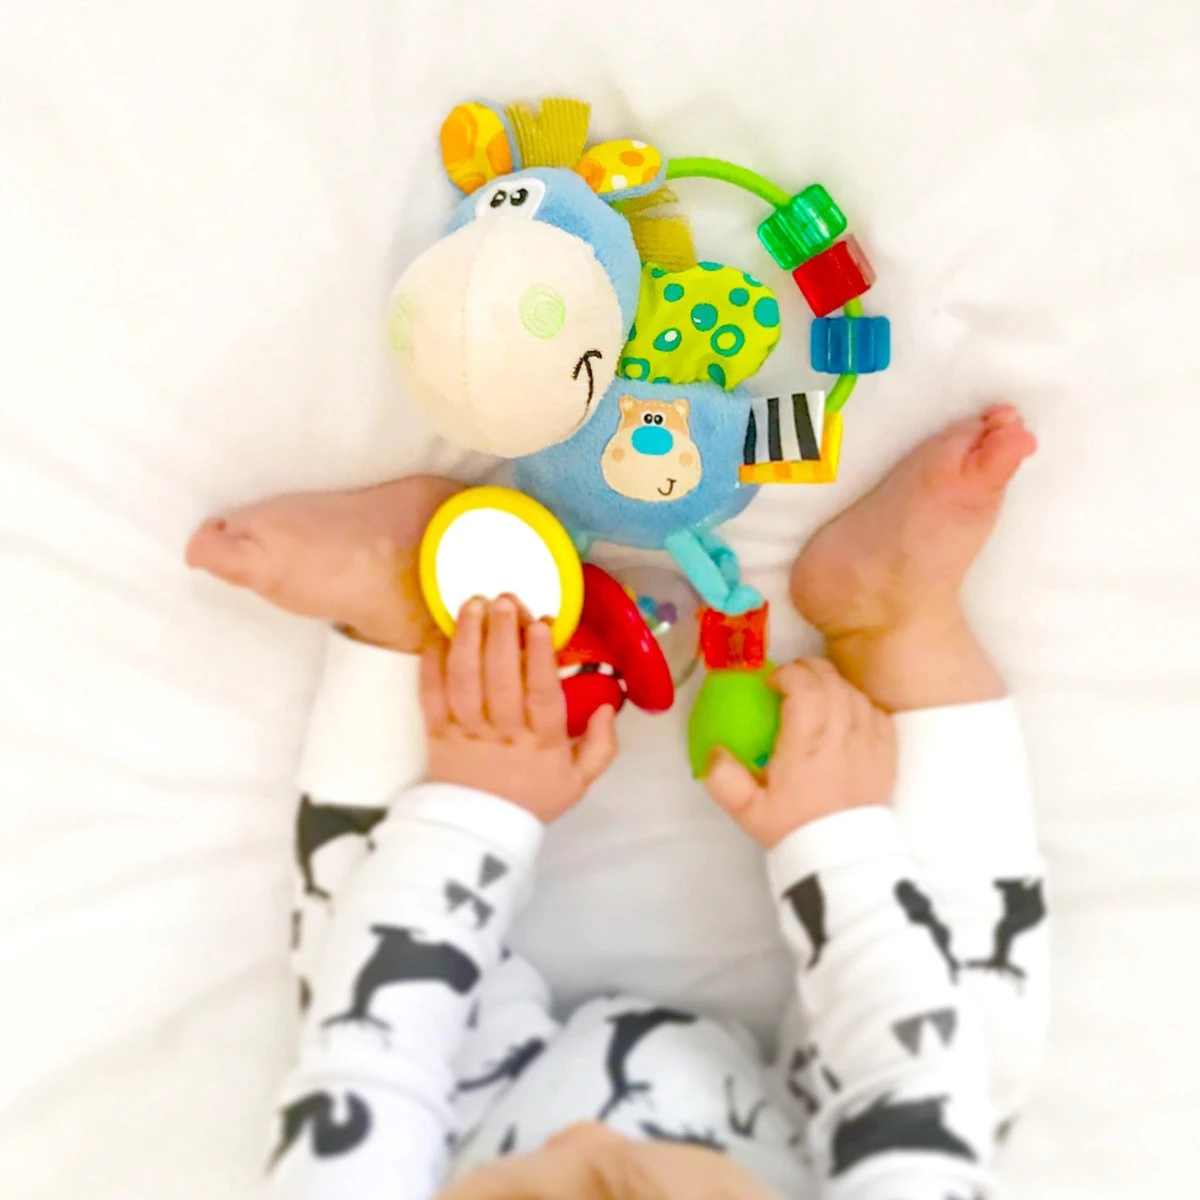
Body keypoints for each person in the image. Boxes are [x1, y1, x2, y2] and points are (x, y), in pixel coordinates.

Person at [188, 406, 1049, 1199]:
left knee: (362, 974)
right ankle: (892, 619)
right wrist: (838, 837)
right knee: (973, 1045)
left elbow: (372, 1062)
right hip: (815, 1137)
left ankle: (414, 609)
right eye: (630, 1183)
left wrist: (476, 801)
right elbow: (913, 1082)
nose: (586, 1132)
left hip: (477, 1110)